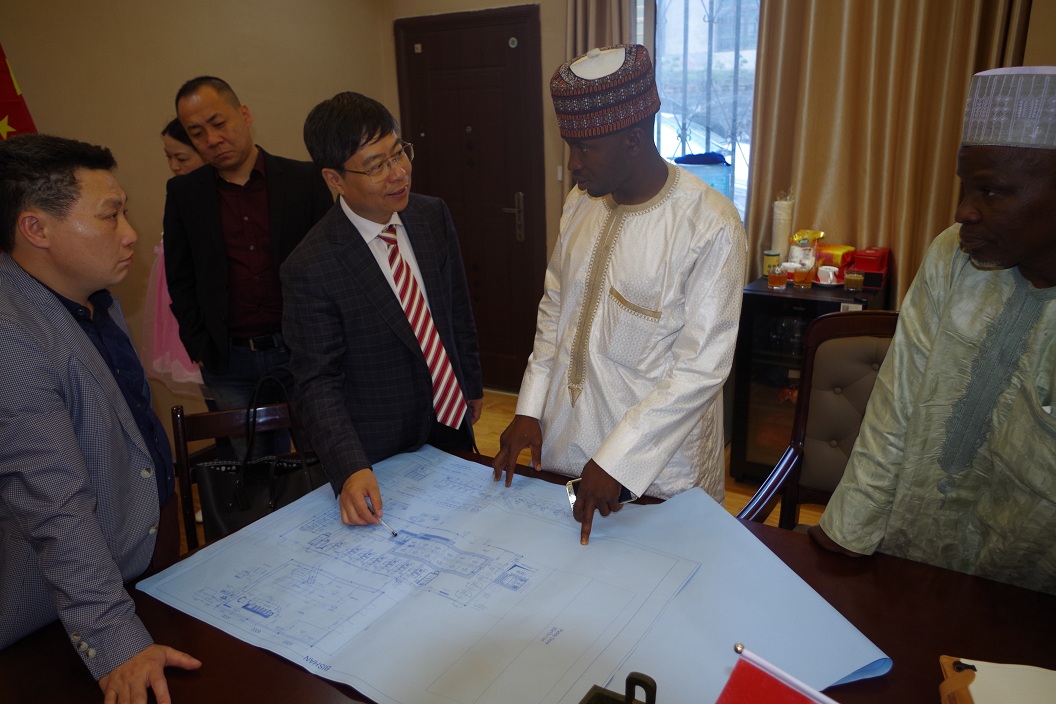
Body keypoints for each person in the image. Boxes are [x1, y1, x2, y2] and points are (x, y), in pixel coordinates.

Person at [809, 66, 1056, 596]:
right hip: (911, 555)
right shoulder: (953, 254)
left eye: (991, 191)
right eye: (966, 186)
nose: (964, 211)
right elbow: (897, 399)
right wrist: (849, 526)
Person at [492, 45, 747, 545]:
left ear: (633, 140)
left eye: (585, 148)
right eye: (569, 145)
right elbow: (554, 310)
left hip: (655, 475)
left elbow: (701, 368)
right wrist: (529, 407)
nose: (572, 164)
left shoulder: (710, 225)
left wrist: (617, 460)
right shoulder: (580, 204)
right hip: (567, 451)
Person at [0, 134, 201, 701]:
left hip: (141, 551)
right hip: (60, 615)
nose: (130, 232)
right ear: (36, 229)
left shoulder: (92, 296)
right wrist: (115, 642)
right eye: (110, 215)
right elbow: (54, 503)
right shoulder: (11, 334)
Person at [281, 91, 484, 529]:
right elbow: (316, 382)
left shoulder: (431, 216)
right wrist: (350, 467)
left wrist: (471, 384)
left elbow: (456, 310)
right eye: (376, 166)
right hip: (378, 454)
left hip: (451, 421)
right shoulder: (311, 265)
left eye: (399, 153)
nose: (398, 173)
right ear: (334, 179)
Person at [163, 76, 332, 454]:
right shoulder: (184, 194)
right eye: (197, 133)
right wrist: (198, 341)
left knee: (324, 456)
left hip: (303, 352)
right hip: (229, 361)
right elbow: (180, 275)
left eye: (218, 123)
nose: (212, 139)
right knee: (254, 469)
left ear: (244, 114)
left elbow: (331, 264)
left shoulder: (304, 179)